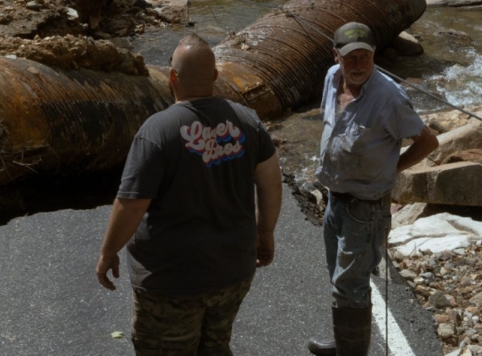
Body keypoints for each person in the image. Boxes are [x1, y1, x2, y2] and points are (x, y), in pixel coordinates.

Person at [96, 33, 283, 356]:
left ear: (171, 77)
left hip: (171, 282)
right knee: (215, 346)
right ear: (214, 76)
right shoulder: (247, 121)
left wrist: (108, 252)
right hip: (232, 273)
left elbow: (131, 204)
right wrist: (264, 233)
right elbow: (270, 183)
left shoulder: (157, 131)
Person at [308, 22, 438, 356]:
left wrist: (390, 170)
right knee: (340, 280)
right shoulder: (330, 78)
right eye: (350, 57)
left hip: (366, 207)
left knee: (351, 286)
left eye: (365, 56)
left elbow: (427, 142)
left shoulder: (390, 97)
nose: (358, 64)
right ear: (336, 56)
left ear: (374, 55)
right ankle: (344, 342)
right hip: (335, 199)